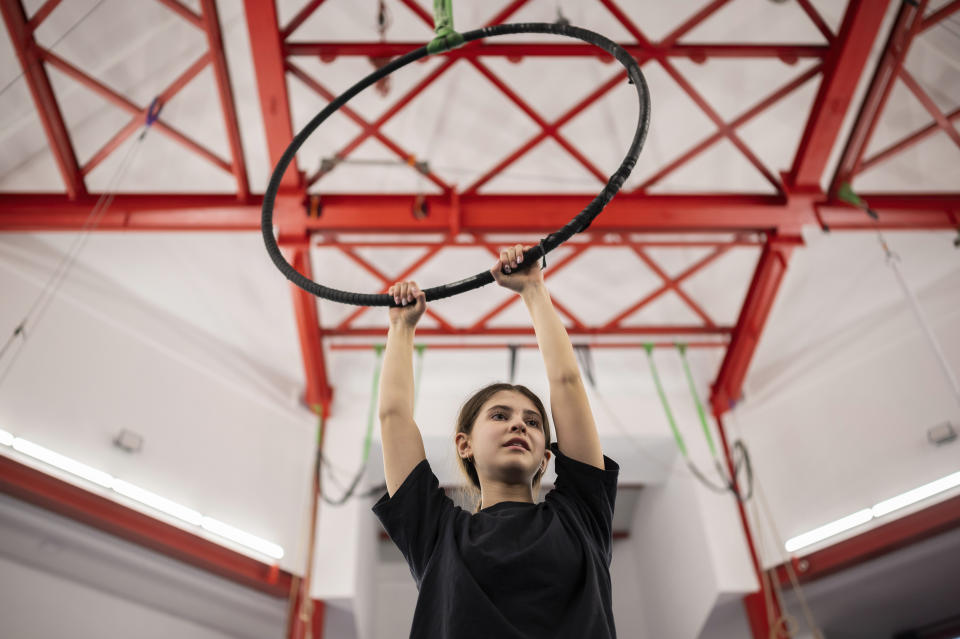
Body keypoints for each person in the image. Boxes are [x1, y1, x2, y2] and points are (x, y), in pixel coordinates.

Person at [372, 244, 620, 639]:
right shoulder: (436, 534)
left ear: (545, 458)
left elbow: (568, 383)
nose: (519, 426)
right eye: (500, 416)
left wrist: (533, 289)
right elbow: (393, 419)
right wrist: (401, 329)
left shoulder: (582, 515)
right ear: (464, 444)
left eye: (534, 422)